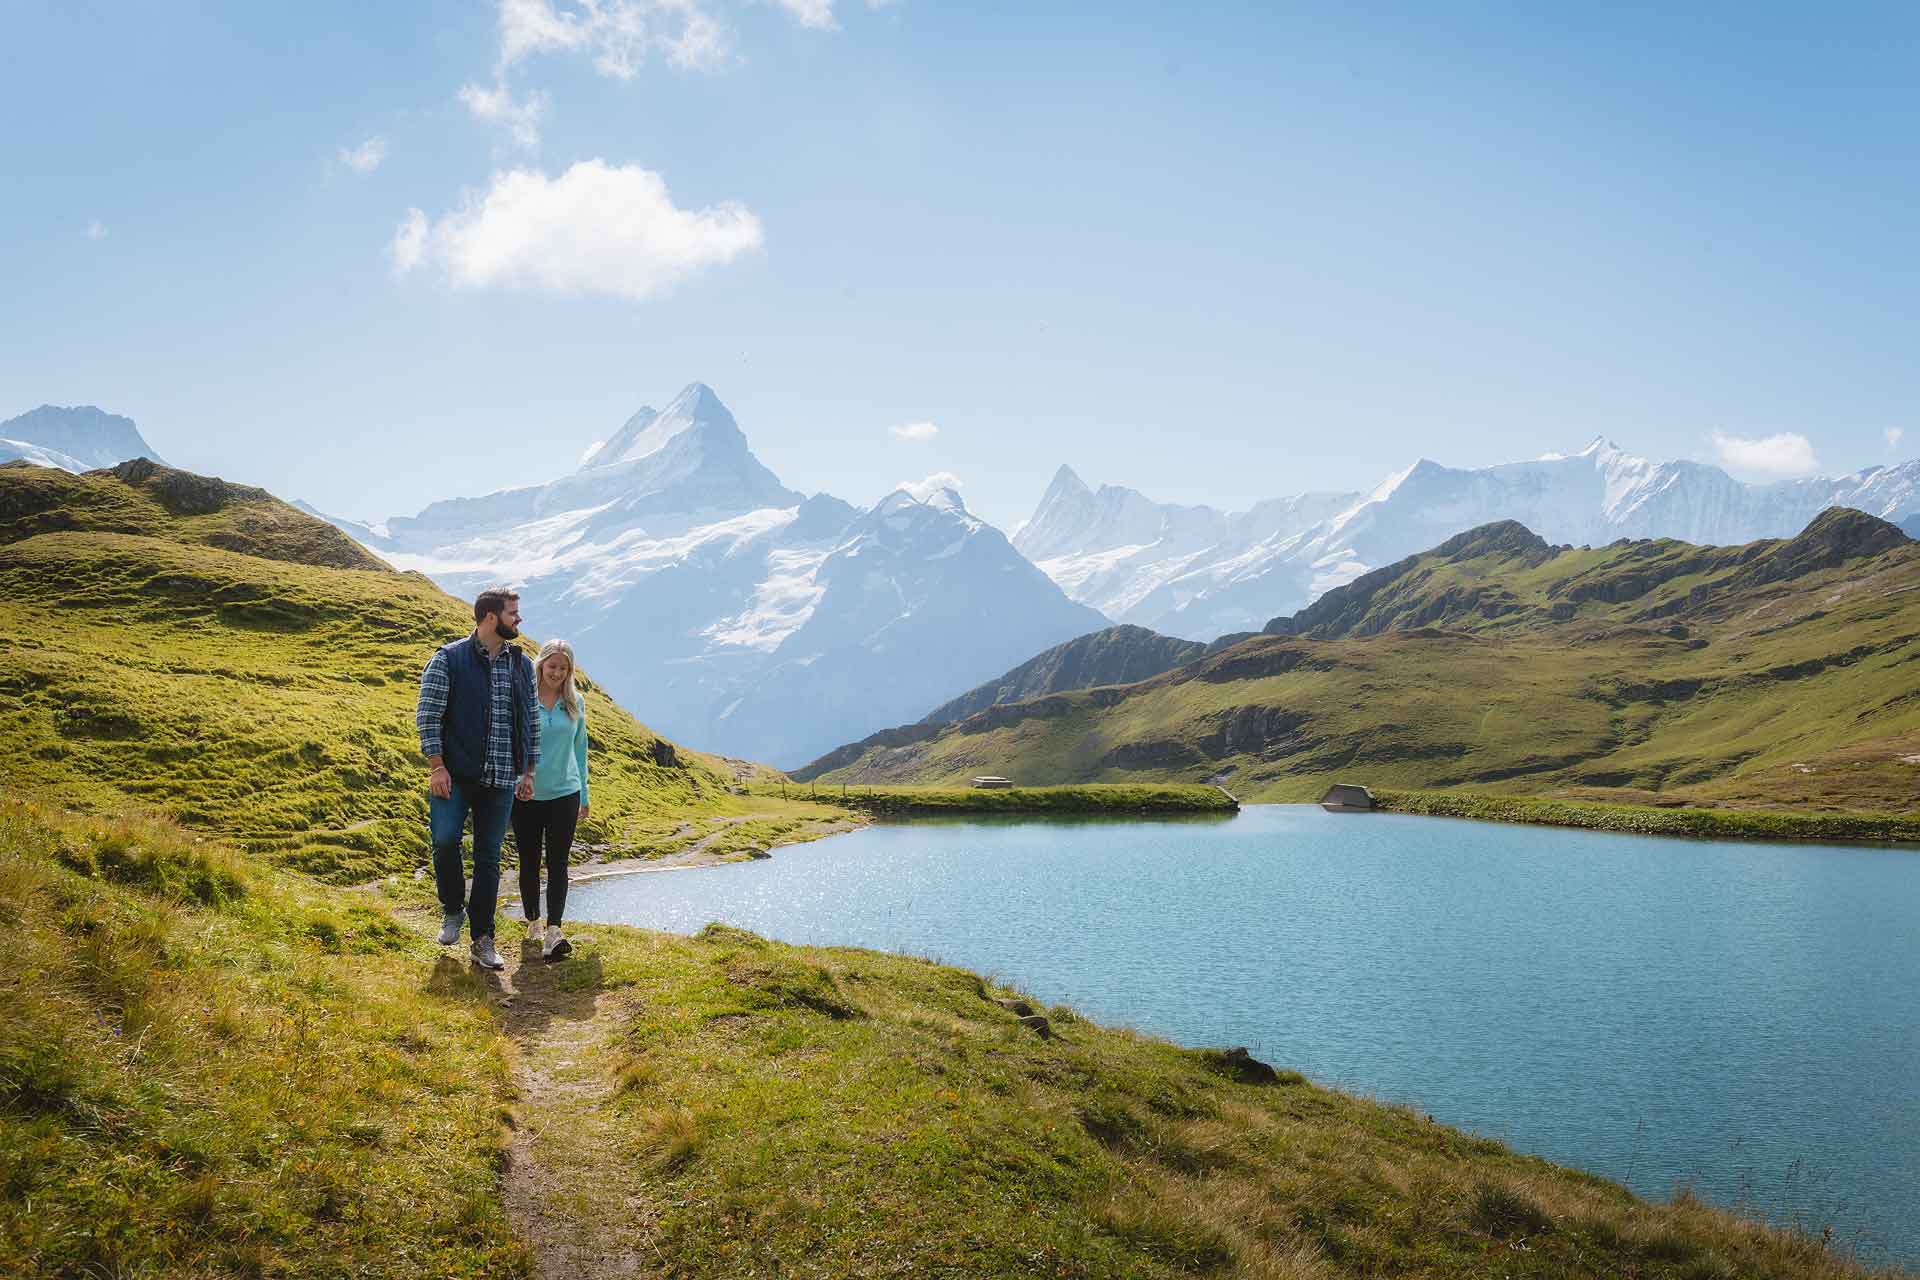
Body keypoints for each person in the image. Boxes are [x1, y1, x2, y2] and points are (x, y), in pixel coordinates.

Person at [416, 586, 540, 971]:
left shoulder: (521, 664)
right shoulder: (448, 659)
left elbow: (531, 720)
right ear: (491, 617)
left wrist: (529, 771)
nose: (519, 619)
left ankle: (483, 938)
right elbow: (428, 716)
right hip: (455, 774)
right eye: (513, 613)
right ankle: (453, 909)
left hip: (503, 777)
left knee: (489, 858)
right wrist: (437, 766)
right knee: (445, 840)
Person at [513, 638, 590, 962]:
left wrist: (584, 794)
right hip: (526, 795)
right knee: (529, 861)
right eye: (552, 666)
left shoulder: (575, 703)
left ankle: (555, 930)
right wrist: (517, 779)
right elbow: (514, 742)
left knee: (558, 862)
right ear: (541, 664)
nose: (557, 672)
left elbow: (580, 750)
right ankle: (533, 919)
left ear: (569, 671)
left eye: (563, 668)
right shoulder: (523, 699)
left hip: (565, 793)